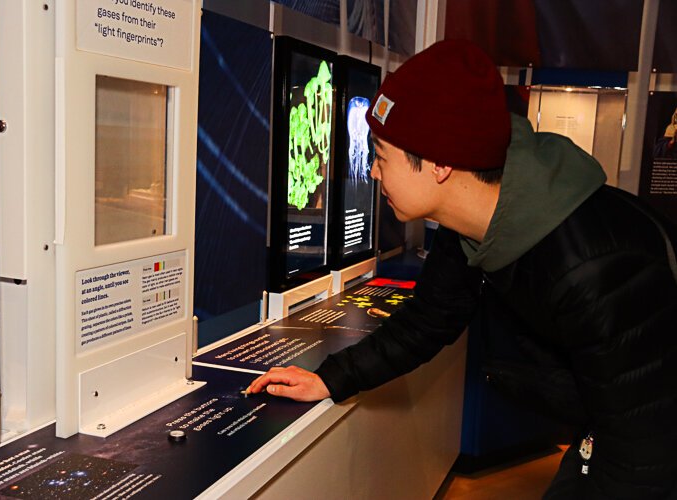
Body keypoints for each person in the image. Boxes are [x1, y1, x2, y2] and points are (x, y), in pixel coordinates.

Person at [246, 40, 677, 498]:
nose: (372, 172)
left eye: (382, 155)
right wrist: (330, 378)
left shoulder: (592, 270)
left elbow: (643, 456)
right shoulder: (473, 220)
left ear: (439, 165)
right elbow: (430, 317)